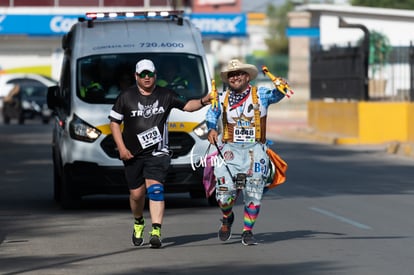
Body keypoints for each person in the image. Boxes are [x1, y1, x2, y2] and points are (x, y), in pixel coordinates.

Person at [108, 59, 211, 248]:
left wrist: (205, 100)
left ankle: (156, 230)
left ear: (155, 75)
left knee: (155, 189)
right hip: (133, 154)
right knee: (137, 195)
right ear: (136, 76)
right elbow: (114, 122)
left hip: (158, 153)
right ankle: (139, 221)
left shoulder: (166, 95)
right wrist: (122, 148)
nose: (147, 78)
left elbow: (188, 106)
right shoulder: (126, 96)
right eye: (143, 74)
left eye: (150, 74)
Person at [206, 59, 286, 246]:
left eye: (239, 73)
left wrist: (282, 85)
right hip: (229, 152)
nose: (235, 77)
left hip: (255, 151)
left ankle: (247, 231)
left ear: (247, 76)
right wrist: (211, 128)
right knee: (225, 194)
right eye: (231, 75)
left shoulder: (262, 95)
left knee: (253, 191)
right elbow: (211, 114)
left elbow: (278, 94)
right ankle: (227, 217)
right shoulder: (221, 98)